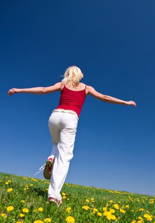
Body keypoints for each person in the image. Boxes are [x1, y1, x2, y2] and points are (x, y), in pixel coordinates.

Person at [8, 65, 137, 206]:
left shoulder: (62, 84)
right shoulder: (87, 88)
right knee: (64, 157)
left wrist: (19, 90)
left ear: (67, 74)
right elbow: (104, 97)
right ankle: (53, 195)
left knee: (55, 143)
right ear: (80, 75)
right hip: (70, 118)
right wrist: (125, 102)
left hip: (55, 116)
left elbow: (43, 90)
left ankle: (51, 157)